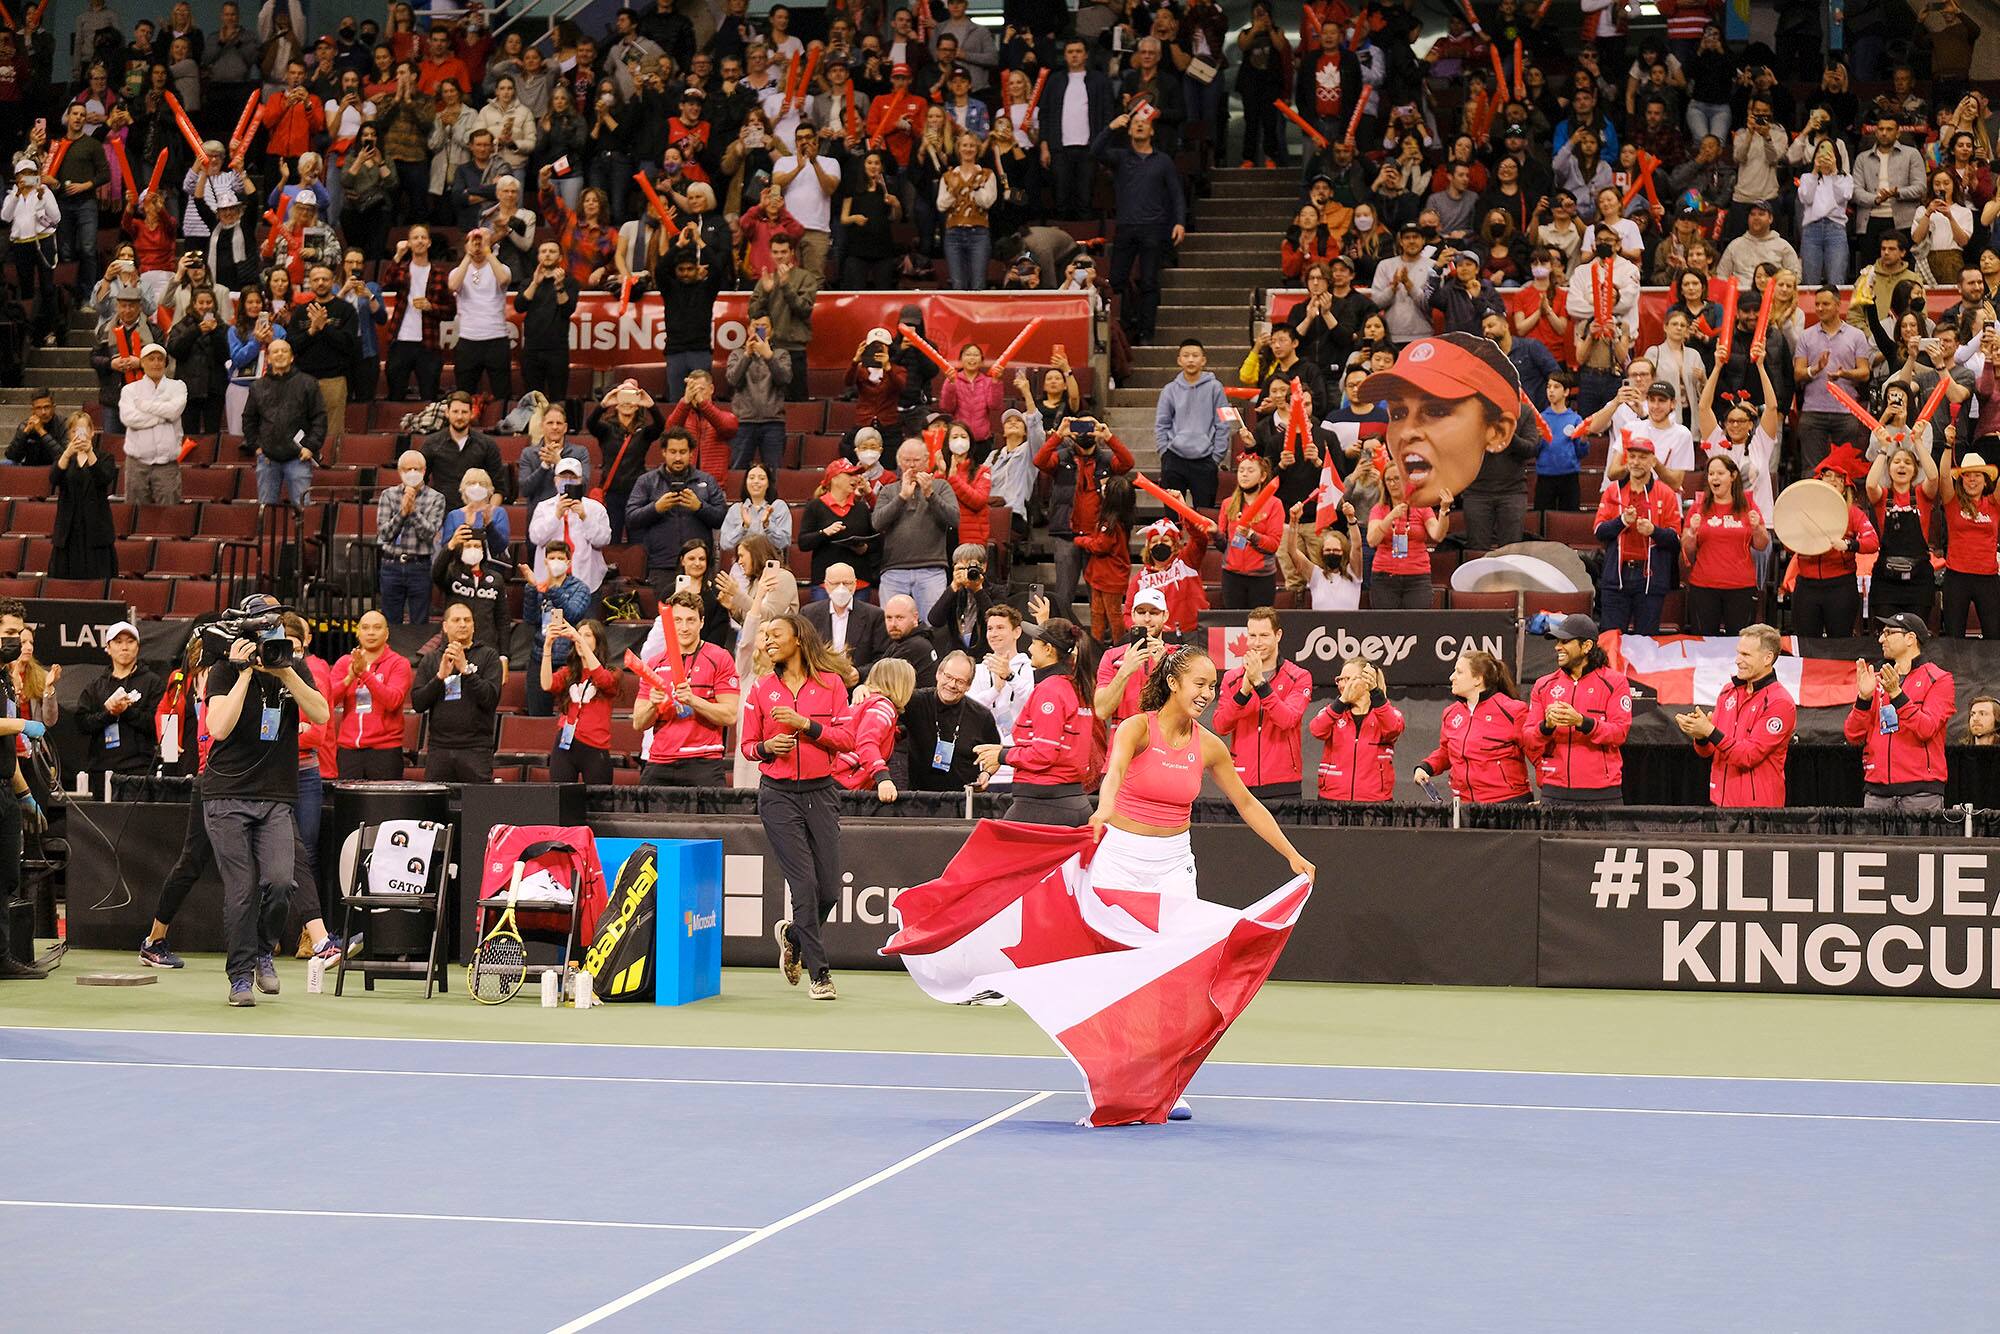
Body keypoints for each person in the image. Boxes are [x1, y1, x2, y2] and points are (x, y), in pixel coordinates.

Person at [202, 594, 331, 1006]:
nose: (270, 631)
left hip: (274, 795)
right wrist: (244, 674)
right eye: (263, 625)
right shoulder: (223, 669)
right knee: (241, 890)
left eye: (275, 623)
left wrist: (286, 671)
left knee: (279, 882)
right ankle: (240, 976)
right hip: (226, 795)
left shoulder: (292, 663)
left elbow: (322, 714)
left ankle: (263, 950)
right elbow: (218, 728)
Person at [743, 613, 856, 1001]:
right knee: (804, 887)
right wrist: (766, 749)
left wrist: (805, 724)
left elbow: (847, 738)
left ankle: (793, 935)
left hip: (822, 793)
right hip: (777, 796)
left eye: (777, 634)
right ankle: (819, 974)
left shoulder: (832, 685)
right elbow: (746, 746)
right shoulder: (760, 689)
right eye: (765, 636)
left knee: (829, 892)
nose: (769, 641)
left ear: (798, 639)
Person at [973, 617, 1096, 825]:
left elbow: (1044, 753)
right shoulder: (1076, 686)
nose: (1029, 648)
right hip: (1068, 799)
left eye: (1034, 643)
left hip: (1044, 804)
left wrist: (1002, 755)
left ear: (1048, 649)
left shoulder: (1051, 690)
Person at [1091, 101, 1185, 343]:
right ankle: (1119, 329)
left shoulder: (1162, 160)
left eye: (1144, 123)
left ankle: (1146, 332)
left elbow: (1176, 193)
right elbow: (1095, 152)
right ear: (1129, 130)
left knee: (1150, 282)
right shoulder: (1121, 157)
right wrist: (1111, 128)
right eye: (1135, 123)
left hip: (1154, 228)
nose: (1140, 125)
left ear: (1152, 130)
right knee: (1118, 282)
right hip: (1125, 227)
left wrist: (1180, 222)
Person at [1677, 623, 1796, 809]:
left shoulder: (1780, 703)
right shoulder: (1728, 692)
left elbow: (1747, 756)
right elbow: (1707, 751)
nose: (1738, 660)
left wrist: (1710, 731)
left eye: (1746, 655)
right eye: (1738, 653)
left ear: (1768, 658)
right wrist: (1700, 736)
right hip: (1720, 804)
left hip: (1760, 812)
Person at [1844, 613, 1955, 811]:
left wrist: (1896, 694)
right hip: (1876, 793)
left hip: (1921, 794)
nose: (1880, 639)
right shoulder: (1876, 680)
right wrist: (1863, 699)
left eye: (1888, 633)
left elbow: (1926, 729)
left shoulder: (1939, 679)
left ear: (1910, 639)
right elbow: (1853, 736)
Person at [1524, 614, 1632, 806]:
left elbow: (1619, 733)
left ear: (1587, 646)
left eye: (1565, 641)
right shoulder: (1543, 685)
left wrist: (1582, 722)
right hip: (1554, 791)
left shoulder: (1615, 682)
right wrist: (1546, 726)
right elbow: (1529, 739)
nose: (1558, 647)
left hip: (1602, 792)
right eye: (1557, 641)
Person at [634, 592, 741, 787]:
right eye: (678, 620)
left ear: (701, 622)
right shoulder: (654, 663)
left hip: (704, 761)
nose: (684, 627)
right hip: (660, 760)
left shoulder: (720, 658)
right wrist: (652, 704)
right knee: (643, 817)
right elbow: (638, 723)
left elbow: (730, 715)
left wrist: (693, 700)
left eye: (691, 620)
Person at [1211, 607, 1310, 803]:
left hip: (1284, 784)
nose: (1257, 643)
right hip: (1240, 781)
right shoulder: (1233, 678)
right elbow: (1220, 726)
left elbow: (1287, 720)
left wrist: (1260, 684)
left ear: (1278, 635)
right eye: (1252, 635)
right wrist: (1243, 693)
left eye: (1264, 635)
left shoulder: (1299, 676)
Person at [1414, 649, 1531, 805]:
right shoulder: (1451, 713)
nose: (1451, 677)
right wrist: (1425, 767)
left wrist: (1546, 795)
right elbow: (1447, 751)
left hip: (1508, 805)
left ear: (1477, 679)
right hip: (1465, 805)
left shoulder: (1513, 711)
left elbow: (1538, 751)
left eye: (1459, 672)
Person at [1593, 437, 1683, 633]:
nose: (1635, 462)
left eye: (1642, 457)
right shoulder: (1612, 491)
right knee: (1611, 641)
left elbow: (1676, 539)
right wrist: (1622, 521)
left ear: (1653, 461)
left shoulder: (1666, 493)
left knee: (1647, 644)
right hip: (1616, 577)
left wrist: (1654, 532)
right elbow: (1599, 531)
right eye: (1632, 456)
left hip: (1651, 578)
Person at [411, 602, 502, 783]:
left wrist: (466, 670)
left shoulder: (489, 656)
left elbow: (491, 699)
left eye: (467, 620)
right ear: (445, 626)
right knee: (436, 808)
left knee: (477, 807)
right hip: (439, 748)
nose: (462, 624)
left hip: (476, 749)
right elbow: (418, 703)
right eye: (456, 620)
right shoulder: (431, 659)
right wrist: (439, 677)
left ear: (474, 626)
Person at [890, 650, 1002, 793]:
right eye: (948, 676)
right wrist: (862, 689)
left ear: (968, 686)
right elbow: (882, 700)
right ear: (938, 674)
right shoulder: (913, 702)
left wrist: (986, 774)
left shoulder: (982, 716)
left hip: (963, 801)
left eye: (960, 681)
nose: (952, 684)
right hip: (918, 800)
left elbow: (995, 755)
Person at [1681, 454, 1768, 635]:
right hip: (1703, 587)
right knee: (1704, 646)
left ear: (1733, 476)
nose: (1714, 478)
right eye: (1711, 473)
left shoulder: (1747, 505)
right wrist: (1691, 533)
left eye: (1720, 473)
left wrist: (1757, 528)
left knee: (1739, 645)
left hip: (1741, 588)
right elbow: (1687, 549)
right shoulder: (1698, 507)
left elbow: (1761, 545)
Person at [873, 436, 961, 611]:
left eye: (916, 460)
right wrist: (902, 498)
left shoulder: (941, 486)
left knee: (934, 626)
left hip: (932, 570)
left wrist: (931, 495)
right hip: (894, 571)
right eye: (906, 460)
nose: (911, 465)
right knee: (892, 626)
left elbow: (954, 519)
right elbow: (877, 523)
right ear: (899, 462)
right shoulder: (889, 490)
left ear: (926, 461)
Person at [72, 620, 162, 784]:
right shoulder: (96, 686)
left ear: (138, 646)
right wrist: (110, 714)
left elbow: (157, 724)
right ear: (108, 647)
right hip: (101, 769)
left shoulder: (152, 683)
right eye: (118, 642)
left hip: (140, 768)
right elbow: (82, 723)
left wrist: (127, 712)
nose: (124, 647)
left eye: (130, 641)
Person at [327, 610, 410, 780]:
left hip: (385, 751)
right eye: (365, 628)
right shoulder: (344, 662)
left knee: (383, 806)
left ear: (386, 633)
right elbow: (328, 702)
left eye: (377, 627)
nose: (371, 632)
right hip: (348, 750)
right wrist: (350, 677)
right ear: (358, 633)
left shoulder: (399, 663)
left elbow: (393, 701)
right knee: (348, 806)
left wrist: (364, 674)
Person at [1865, 442, 1941, 623]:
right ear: (1889, 468)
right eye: (1896, 461)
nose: (1901, 465)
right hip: (1886, 581)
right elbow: (1869, 484)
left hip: (1919, 580)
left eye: (1907, 462)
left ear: (1914, 470)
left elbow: (1933, 476)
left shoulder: (1922, 494)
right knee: (1888, 635)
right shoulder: (1882, 495)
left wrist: (1919, 443)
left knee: (1914, 637)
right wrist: (1883, 450)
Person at [535, 615, 616, 785]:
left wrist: (578, 639)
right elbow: (546, 684)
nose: (581, 639)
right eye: (579, 635)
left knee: (598, 803)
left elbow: (603, 680)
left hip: (595, 746)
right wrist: (548, 645)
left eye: (587, 635)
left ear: (598, 641)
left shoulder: (613, 672)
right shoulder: (568, 672)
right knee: (560, 798)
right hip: (565, 743)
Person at [1307, 659, 1402, 802]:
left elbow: (1393, 729)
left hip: (1374, 802)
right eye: (1340, 679)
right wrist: (1342, 701)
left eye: (1348, 679)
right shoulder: (1333, 712)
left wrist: (1376, 693)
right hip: (1332, 799)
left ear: (1367, 682)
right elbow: (1316, 729)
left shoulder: (1386, 713)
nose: (1342, 684)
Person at [1152, 340, 1231, 510]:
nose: (1190, 360)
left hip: (1205, 460)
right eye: (1186, 356)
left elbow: (1223, 423)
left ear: (1203, 360)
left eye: (1195, 356)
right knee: (1172, 515)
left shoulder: (1215, 388)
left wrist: (1216, 456)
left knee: (1203, 516)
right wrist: (1164, 452)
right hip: (1174, 458)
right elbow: (1161, 423)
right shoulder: (1170, 389)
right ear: (1179, 360)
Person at [380, 226, 454, 404]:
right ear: (410, 243)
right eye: (415, 238)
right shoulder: (402, 270)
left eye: (423, 237)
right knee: (395, 396)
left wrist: (431, 307)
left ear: (429, 242)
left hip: (428, 344)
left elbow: (451, 311)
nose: (420, 240)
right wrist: (398, 255)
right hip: (400, 342)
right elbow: (386, 282)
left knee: (429, 397)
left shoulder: (439, 274)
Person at [376, 450, 448, 624]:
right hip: (390, 565)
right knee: (390, 622)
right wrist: (402, 513)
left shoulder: (436, 498)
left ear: (424, 471)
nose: (412, 473)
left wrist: (413, 511)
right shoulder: (388, 495)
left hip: (419, 566)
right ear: (400, 472)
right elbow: (384, 534)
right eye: (407, 469)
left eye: (416, 469)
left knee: (419, 622)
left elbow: (429, 533)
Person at [745, 232, 817, 402]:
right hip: (769, 348)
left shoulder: (805, 278)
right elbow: (753, 313)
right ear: (770, 253)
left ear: (792, 252)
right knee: (769, 400)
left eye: (783, 252)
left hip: (795, 349)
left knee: (797, 401)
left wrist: (786, 287)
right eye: (776, 252)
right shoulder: (766, 278)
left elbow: (804, 310)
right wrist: (766, 293)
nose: (779, 256)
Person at [835, 658, 915, 802]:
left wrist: (896, 733)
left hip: (833, 778)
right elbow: (866, 742)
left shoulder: (865, 701)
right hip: (843, 783)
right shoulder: (883, 707)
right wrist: (883, 778)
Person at [1939, 447, 2000, 638]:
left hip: (1988, 578)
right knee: (1953, 637)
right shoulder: (1952, 501)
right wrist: (1949, 447)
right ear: (1961, 479)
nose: (1972, 479)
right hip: (1956, 577)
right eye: (1967, 475)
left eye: (1977, 475)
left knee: (1994, 636)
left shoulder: (1994, 503)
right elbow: (1943, 477)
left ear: (1985, 480)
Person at [117, 342, 187, 504]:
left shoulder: (177, 386)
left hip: (167, 463)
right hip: (137, 463)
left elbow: (174, 411)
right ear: (142, 363)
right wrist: (162, 417)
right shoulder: (130, 390)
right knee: (136, 513)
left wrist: (144, 406)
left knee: (169, 513)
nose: (156, 363)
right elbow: (129, 418)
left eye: (160, 359)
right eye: (151, 359)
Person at [448, 226, 512, 400]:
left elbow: (504, 280)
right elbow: (453, 285)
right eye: (473, 241)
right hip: (468, 340)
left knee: (502, 393)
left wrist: (488, 251)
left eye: (481, 240)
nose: (477, 244)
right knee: (463, 394)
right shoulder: (458, 271)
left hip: (496, 339)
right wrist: (468, 256)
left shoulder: (501, 268)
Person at [51, 414, 116, 580]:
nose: (78, 435)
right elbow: (54, 479)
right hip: (69, 529)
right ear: (69, 434)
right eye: (74, 431)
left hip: (95, 530)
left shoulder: (105, 458)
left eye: (83, 430)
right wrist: (67, 454)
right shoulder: (63, 459)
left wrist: (89, 452)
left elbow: (103, 478)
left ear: (92, 432)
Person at [802, 563, 889, 674]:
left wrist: (860, 673)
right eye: (835, 583)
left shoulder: (874, 615)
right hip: (820, 681)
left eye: (847, 583)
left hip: (859, 685)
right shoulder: (809, 614)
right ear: (826, 585)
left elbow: (883, 657)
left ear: (855, 585)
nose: (841, 588)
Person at [420, 392, 506, 505]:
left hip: (477, 513)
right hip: (441, 513)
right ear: (447, 413)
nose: (459, 417)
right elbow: (420, 482)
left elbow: (499, 488)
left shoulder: (487, 445)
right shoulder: (431, 444)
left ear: (471, 414)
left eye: (464, 412)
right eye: (455, 412)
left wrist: (489, 513)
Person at [881, 594, 941, 688]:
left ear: (915, 617)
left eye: (900, 618)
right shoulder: (905, 639)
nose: (893, 624)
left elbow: (879, 682)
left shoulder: (915, 646)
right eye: (889, 618)